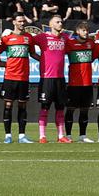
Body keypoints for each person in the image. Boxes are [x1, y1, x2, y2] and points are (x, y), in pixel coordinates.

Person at [30, 15, 70, 143]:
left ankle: (61, 136)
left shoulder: (65, 38)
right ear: (51, 25)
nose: (60, 24)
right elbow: (28, 41)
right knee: (45, 108)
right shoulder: (43, 37)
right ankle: (42, 136)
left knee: (60, 108)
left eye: (61, 22)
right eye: (57, 22)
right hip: (47, 78)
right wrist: (38, 57)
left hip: (60, 78)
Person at [0, 14, 34, 144]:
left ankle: (21, 136)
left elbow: (33, 53)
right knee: (8, 104)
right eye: (19, 21)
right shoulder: (7, 38)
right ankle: (8, 135)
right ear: (14, 22)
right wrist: (1, 63)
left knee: (22, 105)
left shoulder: (29, 38)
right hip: (10, 76)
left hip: (24, 77)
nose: (22, 23)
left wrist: (45, 61)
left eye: (23, 21)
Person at [64, 22, 96, 143]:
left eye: (87, 30)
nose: (86, 32)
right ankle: (68, 135)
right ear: (77, 31)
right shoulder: (70, 43)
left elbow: (93, 57)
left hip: (87, 83)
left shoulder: (91, 44)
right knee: (71, 109)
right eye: (83, 30)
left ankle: (83, 136)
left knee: (84, 110)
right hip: (73, 83)